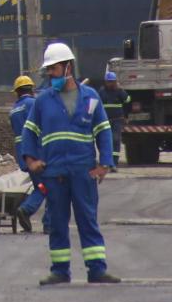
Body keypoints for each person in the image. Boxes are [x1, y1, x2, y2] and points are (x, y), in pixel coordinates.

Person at [19, 41, 119, 285]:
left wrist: (105, 164)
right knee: (57, 223)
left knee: (87, 220)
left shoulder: (91, 98)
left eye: (53, 69)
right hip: (55, 173)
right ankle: (60, 271)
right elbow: (29, 131)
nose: (50, 75)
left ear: (68, 67)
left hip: (83, 171)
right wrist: (31, 160)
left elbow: (104, 131)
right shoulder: (43, 101)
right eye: (49, 71)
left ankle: (97, 269)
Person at [9, 74, 46, 232]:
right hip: (36, 152)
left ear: (16, 92)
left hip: (23, 154)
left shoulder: (13, 110)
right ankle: (28, 210)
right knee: (47, 187)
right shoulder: (33, 104)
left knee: (41, 185)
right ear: (31, 89)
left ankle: (28, 210)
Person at [101, 69, 130, 171]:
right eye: (109, 81)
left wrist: (121, 91)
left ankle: (114, 163)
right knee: (106, 141)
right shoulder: (102, 92)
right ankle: (107, 162)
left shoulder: (119, 91)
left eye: (112, 81)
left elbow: (127, 100)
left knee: (116, 140)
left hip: (117, 120)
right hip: (105, 121)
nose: (111, 83)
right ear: (105, 82)